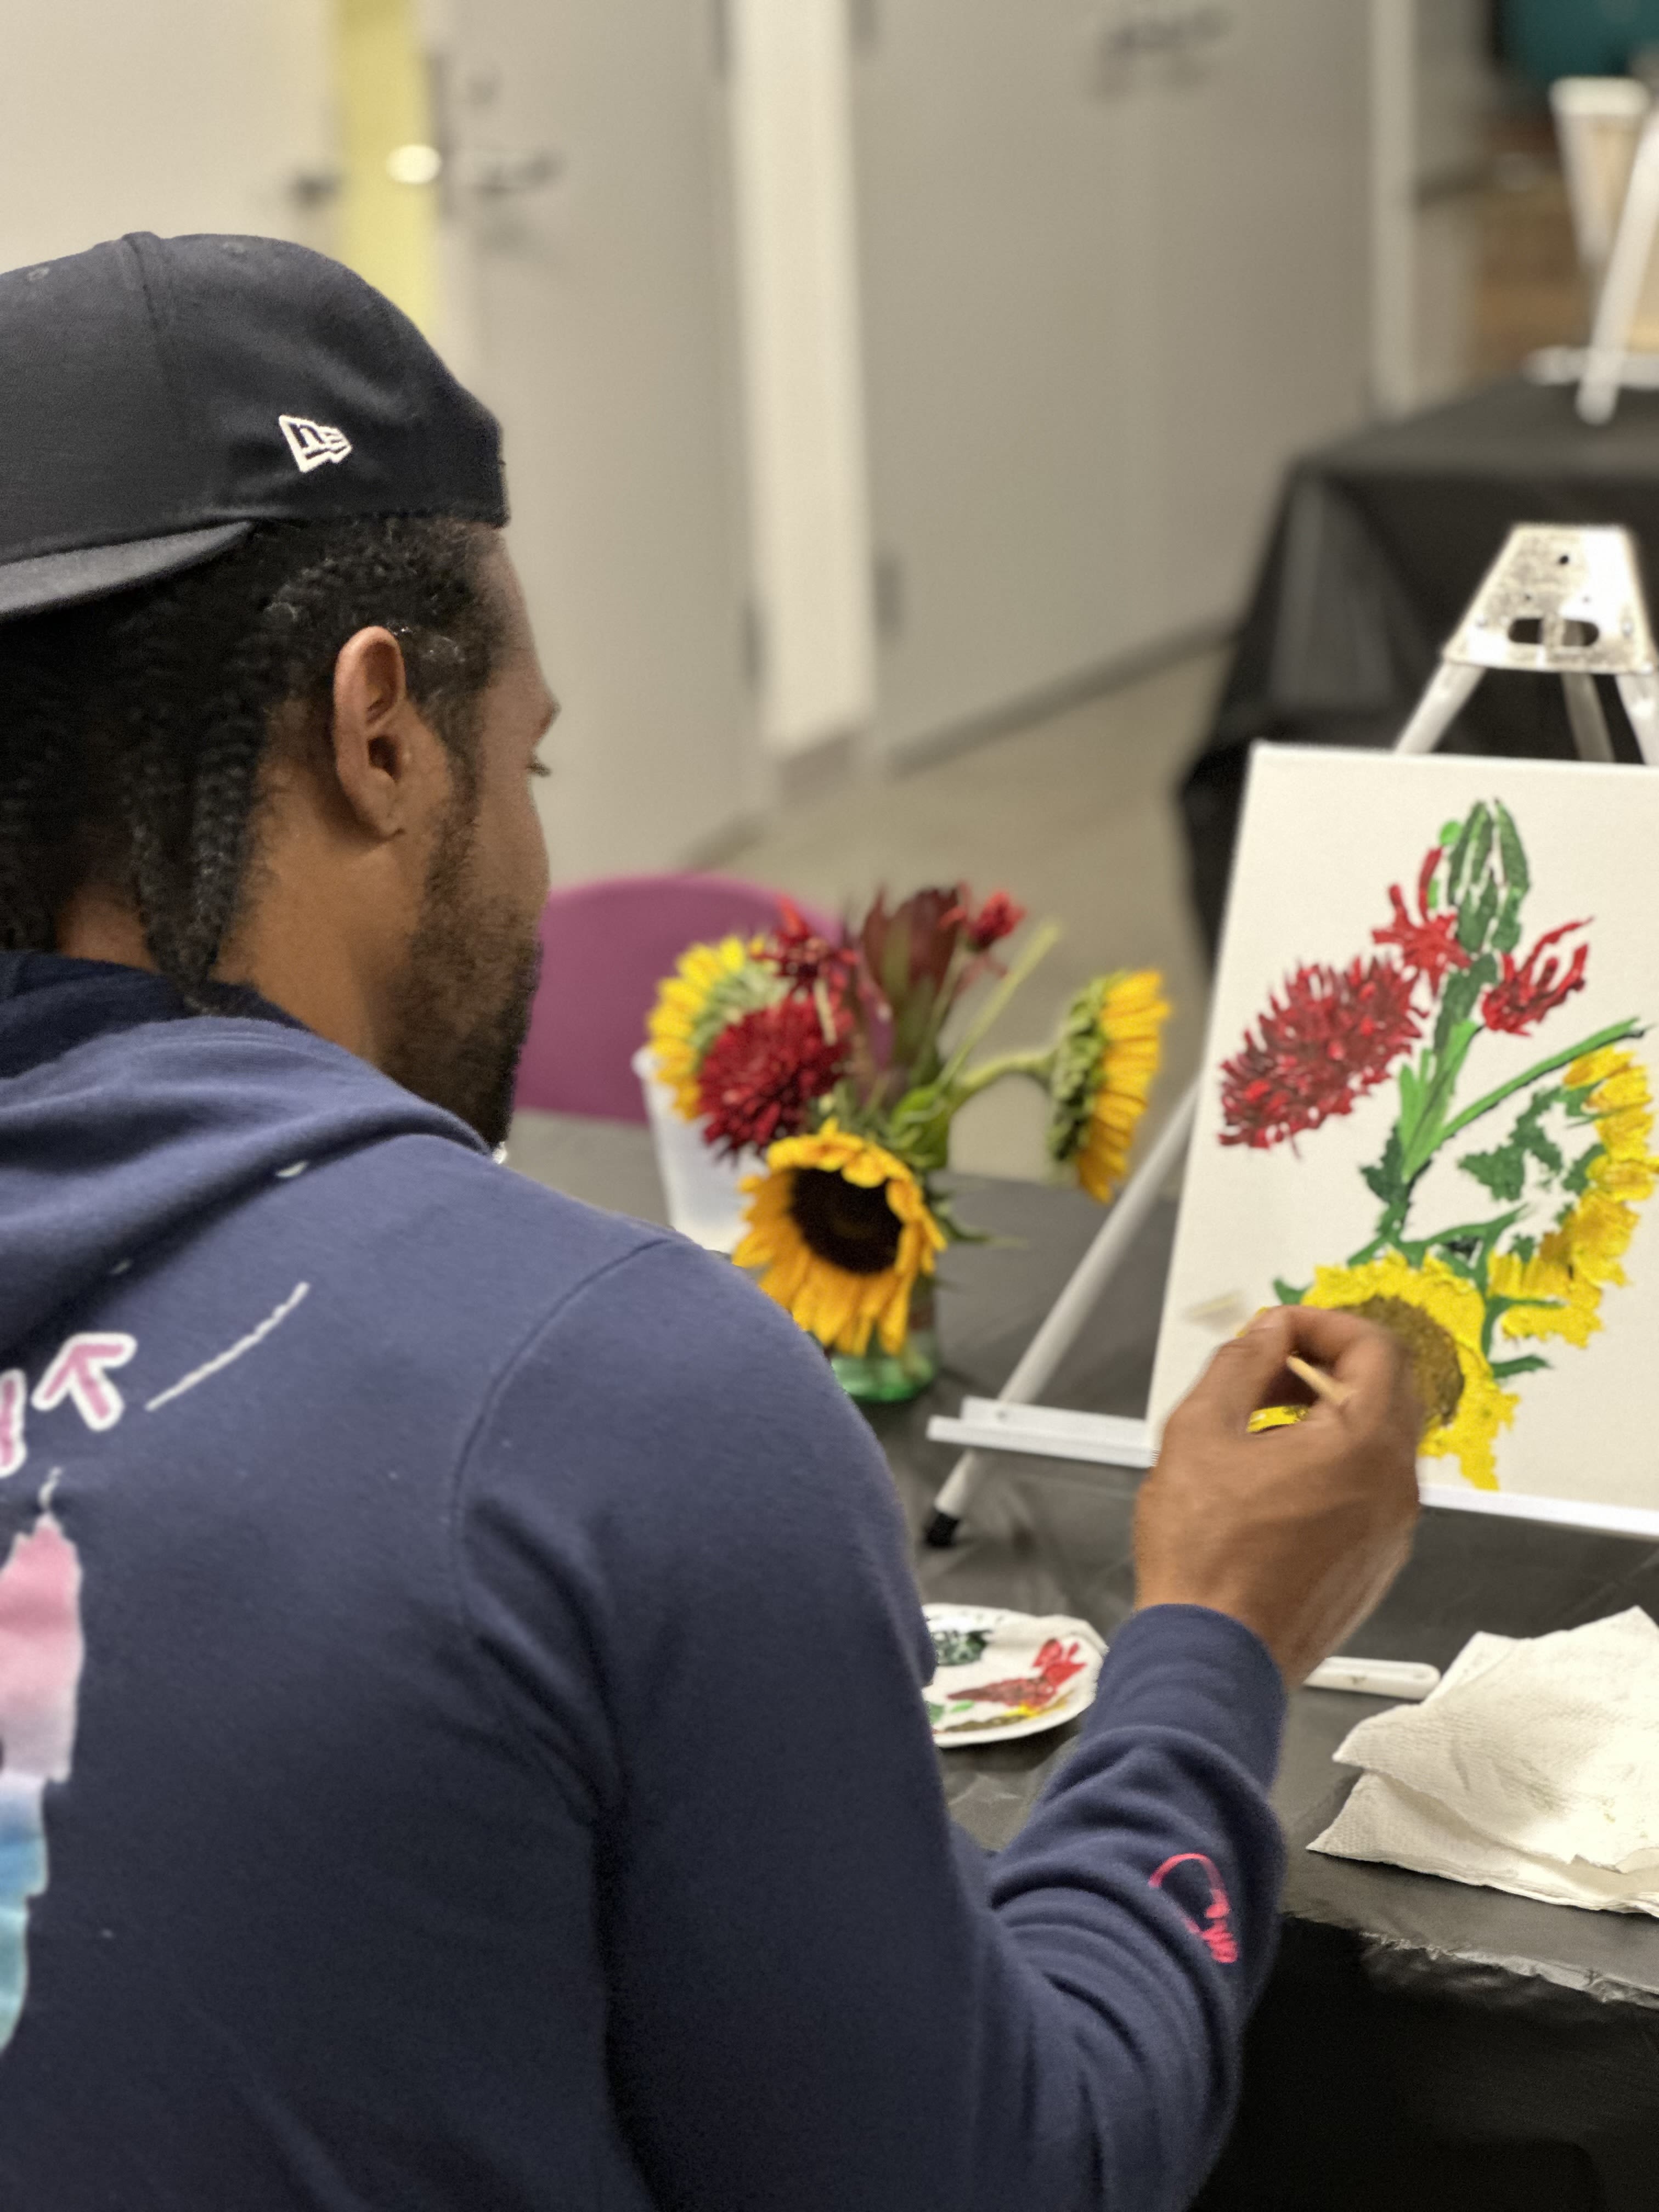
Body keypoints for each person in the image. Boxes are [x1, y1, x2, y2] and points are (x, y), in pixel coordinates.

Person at [0, 233, 1421, 2212]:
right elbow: (1015, 2177)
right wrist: (1220, 1635)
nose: (534, 833)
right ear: (380, 731)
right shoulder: (597, 1395)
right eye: (530, 759)